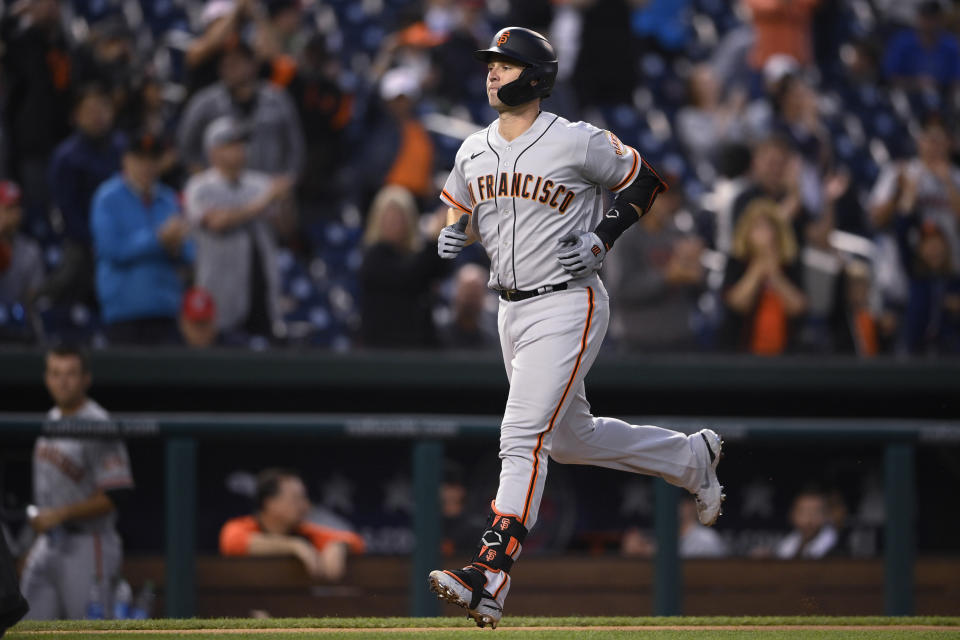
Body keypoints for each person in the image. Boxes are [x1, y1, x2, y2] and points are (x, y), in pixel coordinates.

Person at [428, 27, 725, 628]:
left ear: (535, 76)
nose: (492, 73)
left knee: (521, 435)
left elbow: (643, 180)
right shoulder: (472, 148)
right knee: (566, 438)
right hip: (509, 308)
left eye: (505, 65)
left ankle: (490, 570)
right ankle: (689, 458)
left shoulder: (575, 139)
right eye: (490, 64)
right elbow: (461, 200)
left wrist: (602, 235)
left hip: (568, 301)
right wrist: (456, 227)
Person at [20, 346, 134, 620]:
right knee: (23, 628)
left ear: (86, 379)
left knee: (89, 633)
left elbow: (116, 495)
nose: (62, 381)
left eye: (71, 374)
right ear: (47, 378)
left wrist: (59, 515)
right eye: (56, 373)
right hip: (49, 543)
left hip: (87, 543)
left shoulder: (98, 423)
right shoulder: (51, 418)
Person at [184, 117, 290, 341]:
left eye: (241, 143)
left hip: (260, 289)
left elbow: (287, 228)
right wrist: (264, 201)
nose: (239, 150)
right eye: (230, 144)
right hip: (218, 293)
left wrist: (287, 200)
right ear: (213, 151)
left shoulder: (260, 183)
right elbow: (218, 222)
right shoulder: (200, 186)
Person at [90, 133, 194, 345]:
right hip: (124, 313)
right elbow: (111, 249)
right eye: (140, 159)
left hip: (166, 310)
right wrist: (158, 239)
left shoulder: (169, 199)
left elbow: (190, 253)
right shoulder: (107, 198)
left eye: (153, 160)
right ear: (126, 160)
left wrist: (176, 247)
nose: (147, 166)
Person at [177, 38, 305, 179]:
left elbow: (295, 146)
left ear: (253, 64)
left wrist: (287, 181)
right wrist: (205, 179)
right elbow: (184, 147)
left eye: (237, 61)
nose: (230, 67)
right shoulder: (205, 102)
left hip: (270, 190)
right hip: (220, 194)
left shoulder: (277, 99)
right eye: (225, 63)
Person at [45, 84, 125, 306]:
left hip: (122, 238)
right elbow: (65, 208)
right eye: (90, 110)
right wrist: (95, 241)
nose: (97, 116)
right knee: (74, 264)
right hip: (82, 240)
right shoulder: (66, 157)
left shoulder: (123, 148)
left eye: (103, 109)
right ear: (76, 115)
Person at [219, 469, 364, 580]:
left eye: (304, 498)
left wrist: (339, 545)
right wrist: (293, 546)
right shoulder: (243, 527)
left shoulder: (303, 532)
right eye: (296, 499)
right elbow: (232, 542)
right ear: (270, 503)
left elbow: (355, 541)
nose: (305, 506)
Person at [359, 185, 450, 349]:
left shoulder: (415, 254)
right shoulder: (373, 256)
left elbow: (441, 268)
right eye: (389, 218)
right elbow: (408, 277)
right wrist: (432, 239)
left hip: (419, 348)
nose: (394, 223)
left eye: (399, 218)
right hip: (384, 351)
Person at [721, 199, 807, 354]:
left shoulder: (790, 263)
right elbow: (738, 304)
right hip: (743, 352)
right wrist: (757, 269)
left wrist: (775, 275)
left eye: (768, 227)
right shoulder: (736, 262)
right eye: (757, 228)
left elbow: (798, 307)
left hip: (787, 354)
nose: (763, 234)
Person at [0, 181, 44, 311]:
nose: (15, 214)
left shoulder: (30, 249)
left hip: (17, 322)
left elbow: (35, 296)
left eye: (18, 207)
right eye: (9, 208)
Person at [774, 489, 838, 559]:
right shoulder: (788, 542)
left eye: (816, 513)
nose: (809, 520)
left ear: (826, 515)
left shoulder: (837, 545)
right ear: (792, 515)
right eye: (803, 512)